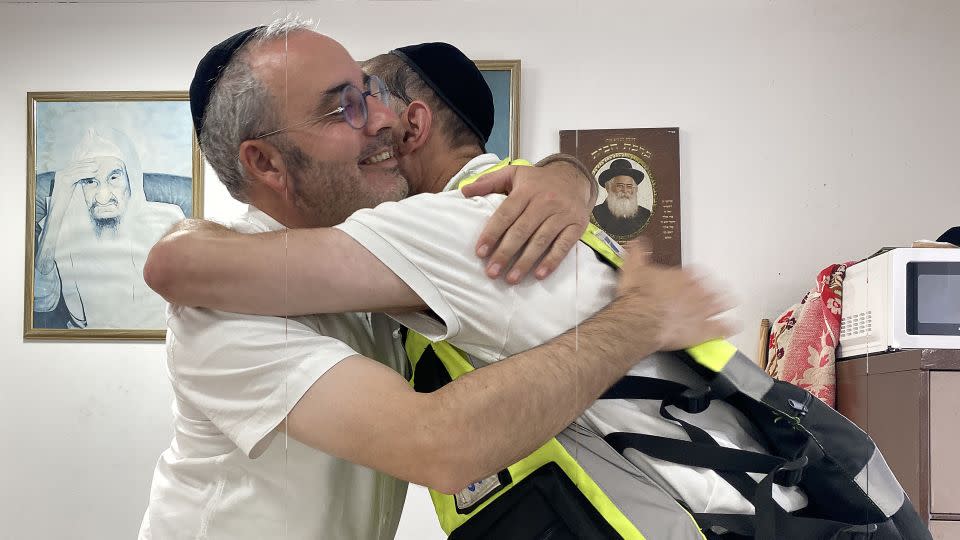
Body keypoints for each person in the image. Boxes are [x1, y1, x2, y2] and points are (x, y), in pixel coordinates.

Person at [142, 28, 737, 539]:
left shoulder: (383, 253)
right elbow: (440, 444)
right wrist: (640, 317)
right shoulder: (220, 306)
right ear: (267, 164)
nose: (384, 121)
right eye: (343, 107)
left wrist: (568, 175)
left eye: (372, 93)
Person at [33, 127, 184, 329]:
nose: (102, 197)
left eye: (114, 178)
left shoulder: (169, 221)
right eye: (90, 182)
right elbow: (41, 302)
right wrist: (59, 200)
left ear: (130, 179)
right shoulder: (63, 224)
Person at [591, 158, 652, 238]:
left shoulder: (645, 215)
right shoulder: (595, 213)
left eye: (629, 186)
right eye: (620, 186)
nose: (625, 191)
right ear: (608, 187)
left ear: (634, 189)